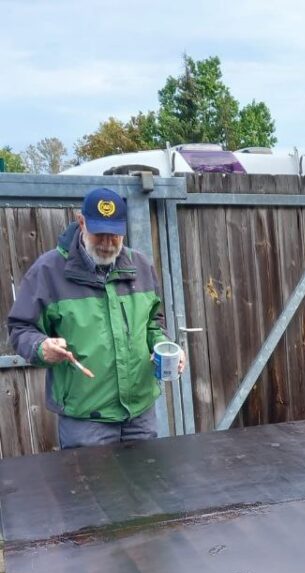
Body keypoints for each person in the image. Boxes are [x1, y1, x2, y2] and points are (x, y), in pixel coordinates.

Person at [8, 188, 183, 449]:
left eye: (114, 234)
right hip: (85, 420)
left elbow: (153, 322)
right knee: (93, 489)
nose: (107, 242)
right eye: (99, 232)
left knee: (146, 487)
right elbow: (20, 327)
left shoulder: (141, 266)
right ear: (81, 222)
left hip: (140, 413)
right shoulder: (48, 271)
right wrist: (40, 347)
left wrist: (164, 346)